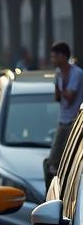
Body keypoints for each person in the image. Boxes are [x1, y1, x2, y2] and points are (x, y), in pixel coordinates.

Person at [48, 41, 83, 174]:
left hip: (75, 122)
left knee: (70, 160)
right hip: (62, 120)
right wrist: (57, 81)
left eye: (54, 56)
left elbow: (70, 97)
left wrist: (60, 83)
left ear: (63, 56)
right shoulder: (59, 73)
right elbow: (58, 98)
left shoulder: (77, 73)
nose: (52, 60)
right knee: (53, 159)